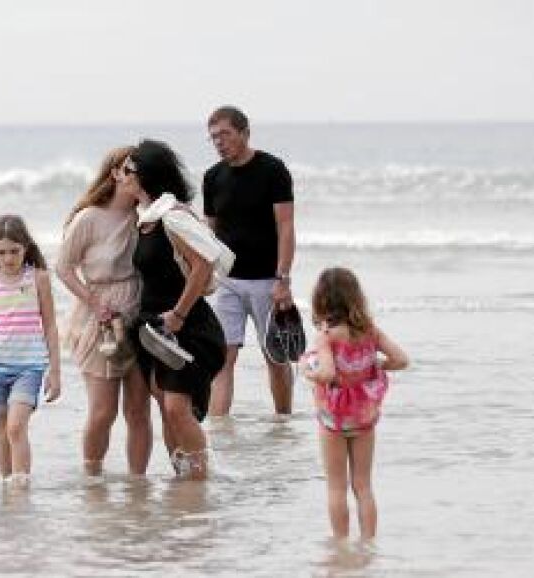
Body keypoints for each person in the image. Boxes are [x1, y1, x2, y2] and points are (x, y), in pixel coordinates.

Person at [124, 139, 227, 479]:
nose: (121, 176)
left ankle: (199, 480)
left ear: (146, 175)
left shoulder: (171, 217)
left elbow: (203, 265)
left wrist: (179, 314)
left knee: (176, 408)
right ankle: (182, 479)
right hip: (155, 328)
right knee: (166, 407)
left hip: (188, 326)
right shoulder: (144, 218)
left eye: (128, 170)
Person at [55, 146, 154, 477]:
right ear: (115, 174)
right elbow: (63, 267)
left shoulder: (147, 216)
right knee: (103, 412)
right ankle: (92, 480)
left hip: (140, 314)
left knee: (138, 411)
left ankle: (137, 484)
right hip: (100, 317)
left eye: (141, 171)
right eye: (130, 169)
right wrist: (95, 304)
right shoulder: (89, 218)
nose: (137, 176)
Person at [301, 267, 408, 540]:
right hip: (363, 416)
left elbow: (327, 374)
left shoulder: (326, 336)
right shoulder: (370, 332)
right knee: (363, 486)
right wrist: (376, 365)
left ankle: (341, 544)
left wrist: (307, 372)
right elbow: (401, 360)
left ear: (321, 300)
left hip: (333, 419)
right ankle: (368, 543)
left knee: (336, 487)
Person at [203, 106, 296, 416]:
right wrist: (203, 276)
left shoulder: (273, 170)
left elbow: (286, 227)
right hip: (227, 281)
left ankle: (283, 425)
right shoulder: (212, 177)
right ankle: (219, 431)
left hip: (267, 281)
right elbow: (209, 233)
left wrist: (283, 279)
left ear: (245, 132)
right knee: (222, 359)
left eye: (225, 134)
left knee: (276, 358)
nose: (219, 142)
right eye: (213, 137)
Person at [0, 215, 61, 483]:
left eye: (14, 251)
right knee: (3, 433)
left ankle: (21, 486)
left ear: (26, 248)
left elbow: (50, 326)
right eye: (2, 252)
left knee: (16, 427)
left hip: (28, 368)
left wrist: (55, 372)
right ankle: (7, 488)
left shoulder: (38, 279)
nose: (8, 258)